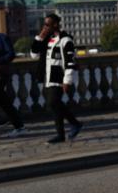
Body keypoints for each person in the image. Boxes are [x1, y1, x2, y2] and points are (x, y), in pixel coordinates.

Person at [32, 13, 82, 144]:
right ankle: (64, 132)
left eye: (47, 25)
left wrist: (67, 81)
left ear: (55, 25)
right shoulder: (46, 39)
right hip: (47, 77)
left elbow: (70, 61)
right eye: (44, 25)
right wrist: (40, 37)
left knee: (52, 102)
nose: (45, 27)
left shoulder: (66, 40)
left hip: (59, 77)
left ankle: (73, 125)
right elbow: (33, 54)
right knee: (54, 105)